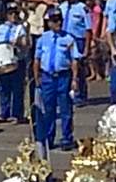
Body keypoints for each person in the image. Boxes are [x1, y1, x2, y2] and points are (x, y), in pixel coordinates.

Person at [33, 8, 81, 150]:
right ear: (49, 23)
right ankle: (49, 137)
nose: (58, 23)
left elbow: (74, 60)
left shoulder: (68, 39)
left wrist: (74, 79)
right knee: (48, 109)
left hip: (63, 76)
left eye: (59, 19)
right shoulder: (43, 39)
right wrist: (37, 77)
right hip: (48, 77)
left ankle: (67, 137)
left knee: (66, 109)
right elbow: (37, 59)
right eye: (54, 20)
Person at [0, 4, 28, 123]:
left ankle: (17, 115)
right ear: (7, 15)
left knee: (17, 89)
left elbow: (26, 44)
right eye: (11, 13)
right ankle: (4, 113)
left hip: (16, 60)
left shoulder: (20, 28)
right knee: (3, 88)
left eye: (15, 13)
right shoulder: (1, 28)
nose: (13, 16)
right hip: (2, 61)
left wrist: (19, 43)